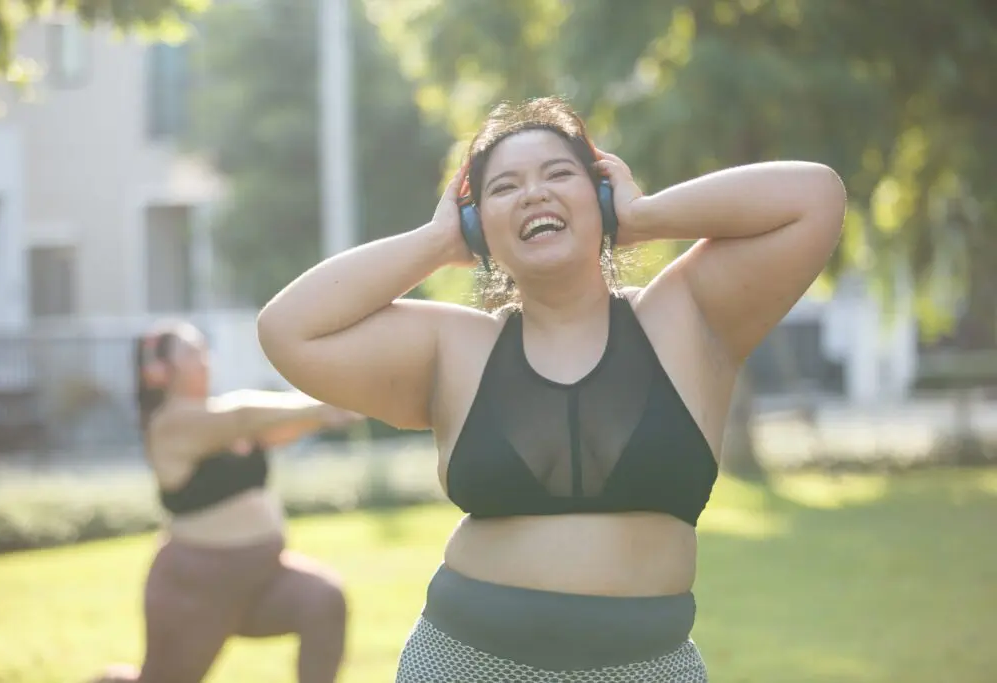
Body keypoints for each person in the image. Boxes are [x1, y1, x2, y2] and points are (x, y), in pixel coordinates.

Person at [256, 96, 846, 682]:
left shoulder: (686, 316)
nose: (535, 193)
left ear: (602, 198)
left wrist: (645, 215)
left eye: (560, 173)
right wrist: (437, 242)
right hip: (466, 664)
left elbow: (813, 197)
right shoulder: (454, 346)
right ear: (478, 226)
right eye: (504, 187)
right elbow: (288, 331)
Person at [91, 320, 364, 683]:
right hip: (196, 587)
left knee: (323, 601)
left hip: (262, 575)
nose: (205, 359)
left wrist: (328, 414)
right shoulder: (169, 424)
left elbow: (269, 427)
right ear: (159, 370)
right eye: (191, 352)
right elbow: (242, 417)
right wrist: (316, 407)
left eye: (204, 349)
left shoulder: (224, 420)